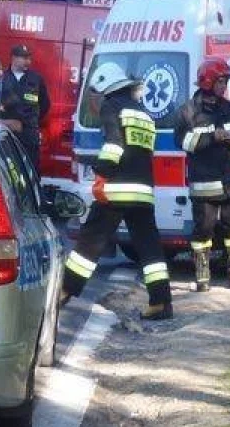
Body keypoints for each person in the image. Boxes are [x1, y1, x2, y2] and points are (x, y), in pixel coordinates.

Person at [61, 63, 172, 321]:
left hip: (117, 189)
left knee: (90, 241)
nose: (96, 101)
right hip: (143, 191)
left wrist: (101, 176)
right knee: (150, 248)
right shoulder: (143, 113)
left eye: (96, 95)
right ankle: (161, 303)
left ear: (105, 89)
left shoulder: (112, 106)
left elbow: (114, 145)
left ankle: (65, 289)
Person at [173, 57, 230, 292]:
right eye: (221, 80)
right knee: (204, 230)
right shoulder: (188, 112)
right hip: (204, 185)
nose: (224, 86)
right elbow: (183, 141)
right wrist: (212, 137)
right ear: (207, 81)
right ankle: (202, 276)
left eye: (226, 80)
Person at [0, 44, 50, 171]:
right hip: (6, 133)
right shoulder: (2, 79)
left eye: (29, 58)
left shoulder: (36, 79)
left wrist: (32, 121)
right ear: (13, 58)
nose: (28, 62)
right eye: (24, 58)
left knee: (31, 169)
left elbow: (45, 104)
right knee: (8, 169)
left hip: (29, 134)